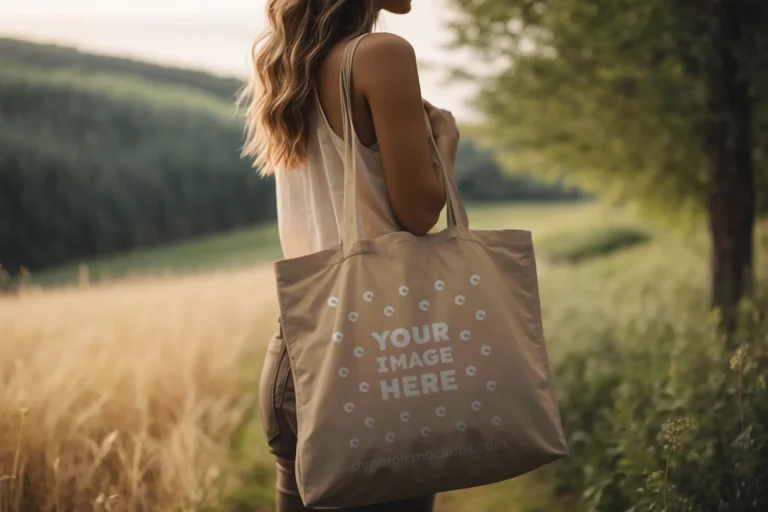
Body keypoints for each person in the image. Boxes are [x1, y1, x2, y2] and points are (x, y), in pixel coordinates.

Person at [240, 1, 460, 510]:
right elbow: (419, 212)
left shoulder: (286, 62)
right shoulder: (381, 55)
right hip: (380, 355)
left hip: (297, 359)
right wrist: (444, 145)